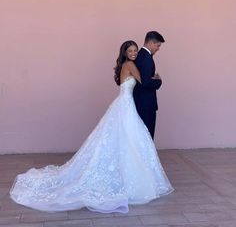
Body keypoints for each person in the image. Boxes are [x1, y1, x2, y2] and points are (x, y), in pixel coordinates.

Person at [10, 40, 173, 214]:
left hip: (124, 104)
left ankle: (124, 172)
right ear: (125, 53)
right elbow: (144, 82)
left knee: (123, 139)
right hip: (126, 106)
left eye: (135, 50)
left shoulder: (124, 65)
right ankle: (130, 176)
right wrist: (157, 78)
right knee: (130, 138)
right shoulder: (131, 65)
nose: (134, 53)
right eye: (131, 51)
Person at [133, 31, 165, 139]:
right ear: (150, 42)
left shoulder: (140, 55)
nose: (158, 48)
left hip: (140, 101)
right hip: (146, 104)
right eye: (157, 45)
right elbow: (145, 82)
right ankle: (146, 156)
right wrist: (158, 81)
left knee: (141, 134)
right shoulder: (146, 58)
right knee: (147, 134)